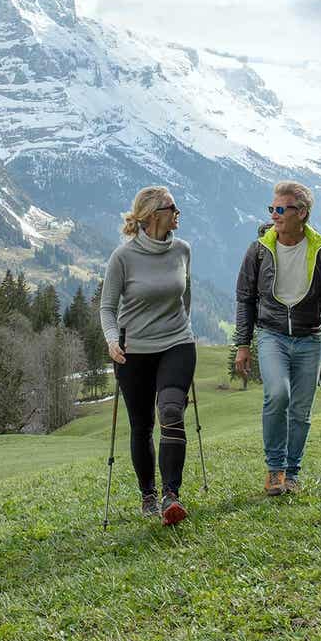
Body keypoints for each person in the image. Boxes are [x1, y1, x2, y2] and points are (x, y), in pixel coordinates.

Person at [234, 180, 321, 496]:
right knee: (277, 394)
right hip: (271, 335)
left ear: (301, 213)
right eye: (271, 208)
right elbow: (244, 297)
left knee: (301, 410)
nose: (274, 215)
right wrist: (243, 344)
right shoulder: (259, 250)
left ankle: (292, 472)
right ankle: (275, 470)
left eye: (281, 209)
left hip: (310, 337)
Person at [100, 185, 195, 525]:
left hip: (177, 343)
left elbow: (186, 300)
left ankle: (172, 495)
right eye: (174, 208)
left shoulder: (183, 250)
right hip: (133, 350)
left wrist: (187, 331)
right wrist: (113, 340)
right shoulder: (123, 257)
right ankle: (148, 495)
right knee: (142, 426)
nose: (178, 213)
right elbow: (108, 307)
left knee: (171, 410)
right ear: (155, 214)